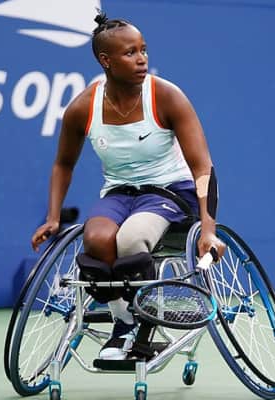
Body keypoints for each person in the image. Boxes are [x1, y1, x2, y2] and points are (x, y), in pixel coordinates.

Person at [31, 11, 225, 360]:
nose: (142, 59)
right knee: (96, 240)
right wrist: (53, 217)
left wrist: (208, 230)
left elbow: (202, 167)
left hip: (171, 192)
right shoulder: (83, 107)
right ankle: (125, 320)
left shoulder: (166, 96)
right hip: (120, 193)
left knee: (132, 240)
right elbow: (63, 164)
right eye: (130, 52)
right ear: (106, 61)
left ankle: (140, 326)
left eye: (143, 50)